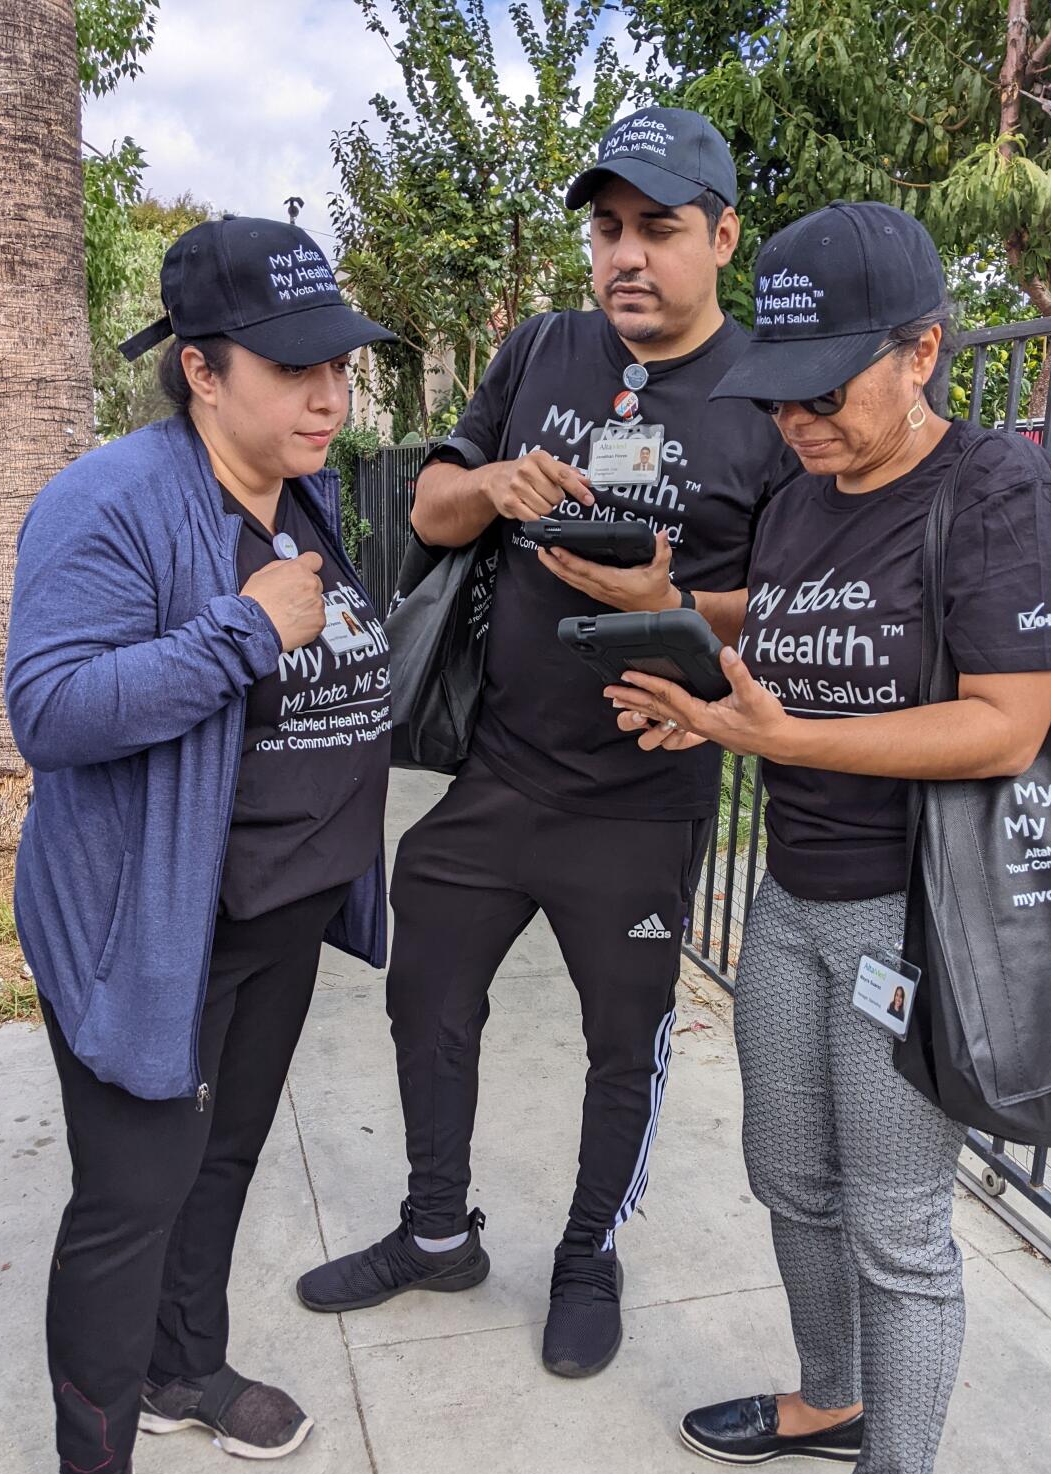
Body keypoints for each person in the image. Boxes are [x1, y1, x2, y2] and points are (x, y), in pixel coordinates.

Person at [608, 201, 1051, 1474]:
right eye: (785, 392)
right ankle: (833, 1396)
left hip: (917, 919)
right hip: (796, 897)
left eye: (830, 391)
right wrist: (680, 641)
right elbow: (794, 621)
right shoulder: (809, 493)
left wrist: (776, 741)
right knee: (787, 1174)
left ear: (924, 350)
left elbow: (1004, 725)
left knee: (896, 1224)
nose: (802, 421)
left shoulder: (1002, 498)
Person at [296, 106, 798, 1378]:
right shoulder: (543, 348)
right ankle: (434, 1226)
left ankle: (587, 1250)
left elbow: (795, 596)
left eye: (659, 229)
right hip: (502, 770)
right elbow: (429, 502)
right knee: (426, 992)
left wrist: (671, 607)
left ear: (723, 237)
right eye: (607, 228)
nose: (626, 256)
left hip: (644, 792)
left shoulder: (768, 398)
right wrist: (496, 483)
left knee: (624, 1043)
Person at [5, 217, 394, 1474]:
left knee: (222, 1157)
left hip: (273, 913)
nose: (327, 394)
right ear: (201, 371)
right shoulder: (104, 503)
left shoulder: (303, 493)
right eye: (293, 369)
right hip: (143, 928)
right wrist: (245, 629)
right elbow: (49, 710)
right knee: (131, 1193)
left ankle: (186, 1365)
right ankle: (94, 1469)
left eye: (338, 365)